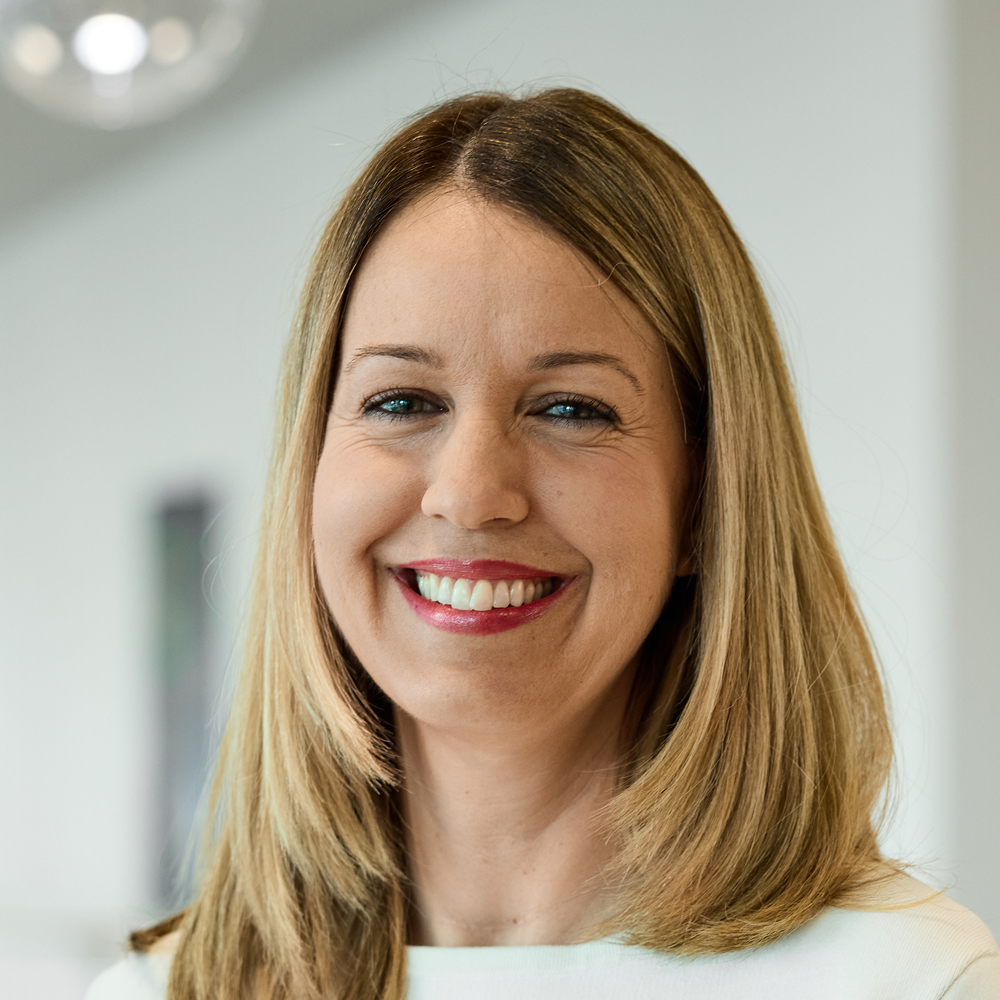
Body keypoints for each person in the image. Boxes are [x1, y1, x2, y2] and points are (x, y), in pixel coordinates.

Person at [87, 88, 1000, 1000]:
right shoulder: (155, 991)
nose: (471, 494)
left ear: (707, 502)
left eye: (572, 409)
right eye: (402, 402)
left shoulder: (915, 982)